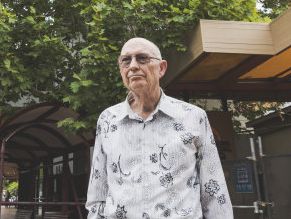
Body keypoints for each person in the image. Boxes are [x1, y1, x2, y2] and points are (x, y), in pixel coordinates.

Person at [86, 38, 233, 219]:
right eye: (126, 60)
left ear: (161, 68)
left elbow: (214, 190)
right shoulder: (108, 120)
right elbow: (98, 193)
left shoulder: (193, 117)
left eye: (142, 58)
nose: (132, 66)